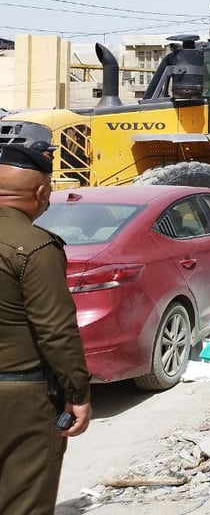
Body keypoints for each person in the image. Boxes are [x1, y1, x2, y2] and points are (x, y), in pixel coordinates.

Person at [0, 144, 92, 515]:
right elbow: (55, 330)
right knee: (23, 500)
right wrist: (78, 393)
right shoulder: (36, 248)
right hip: (20, 397)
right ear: (41, 193)